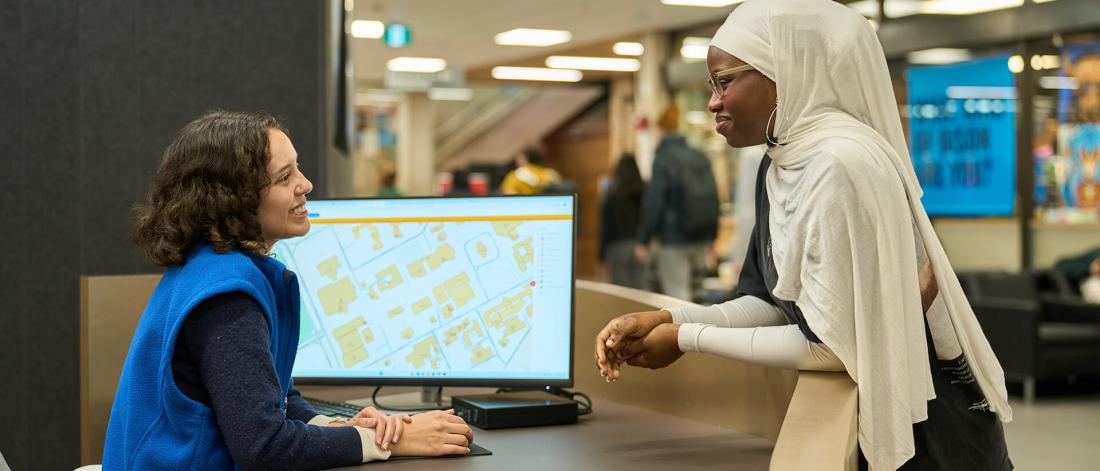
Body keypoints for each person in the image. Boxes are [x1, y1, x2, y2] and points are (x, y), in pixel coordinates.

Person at [595, 1, 1013, 470]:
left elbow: (831, 345)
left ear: (784, 72)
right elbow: (774, 305)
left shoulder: (840, 164)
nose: (712, 101)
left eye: (725, 81)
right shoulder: (781, 161)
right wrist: (666, 317)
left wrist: (686, 338)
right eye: (711, 85)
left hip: (932, 438)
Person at [103, 111, 473, 470]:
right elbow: (263, 446)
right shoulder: (227, 296)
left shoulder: (213, 268)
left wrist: (342, 428)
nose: (305, 184)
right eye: (285, 176)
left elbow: (275, 400)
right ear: (233, 197)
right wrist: (389, 442)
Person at [635, 103, 720, 301]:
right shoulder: (699, 155)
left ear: (660, 129)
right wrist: (713, 235)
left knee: (678, 296)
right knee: (698, 293)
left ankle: (685, 333)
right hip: (701, 234)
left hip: (673, 238)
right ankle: (703, 331)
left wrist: (643, 239)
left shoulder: (663, 159)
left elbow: (654, 201)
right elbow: (714, 195)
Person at [600, 154, 647, 289]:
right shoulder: (644, 191)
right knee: (641, 290)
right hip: (639, 246)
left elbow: (606, 226)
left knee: (621, 291)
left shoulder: (612, 193)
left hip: (617, 247)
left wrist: (601, 256)